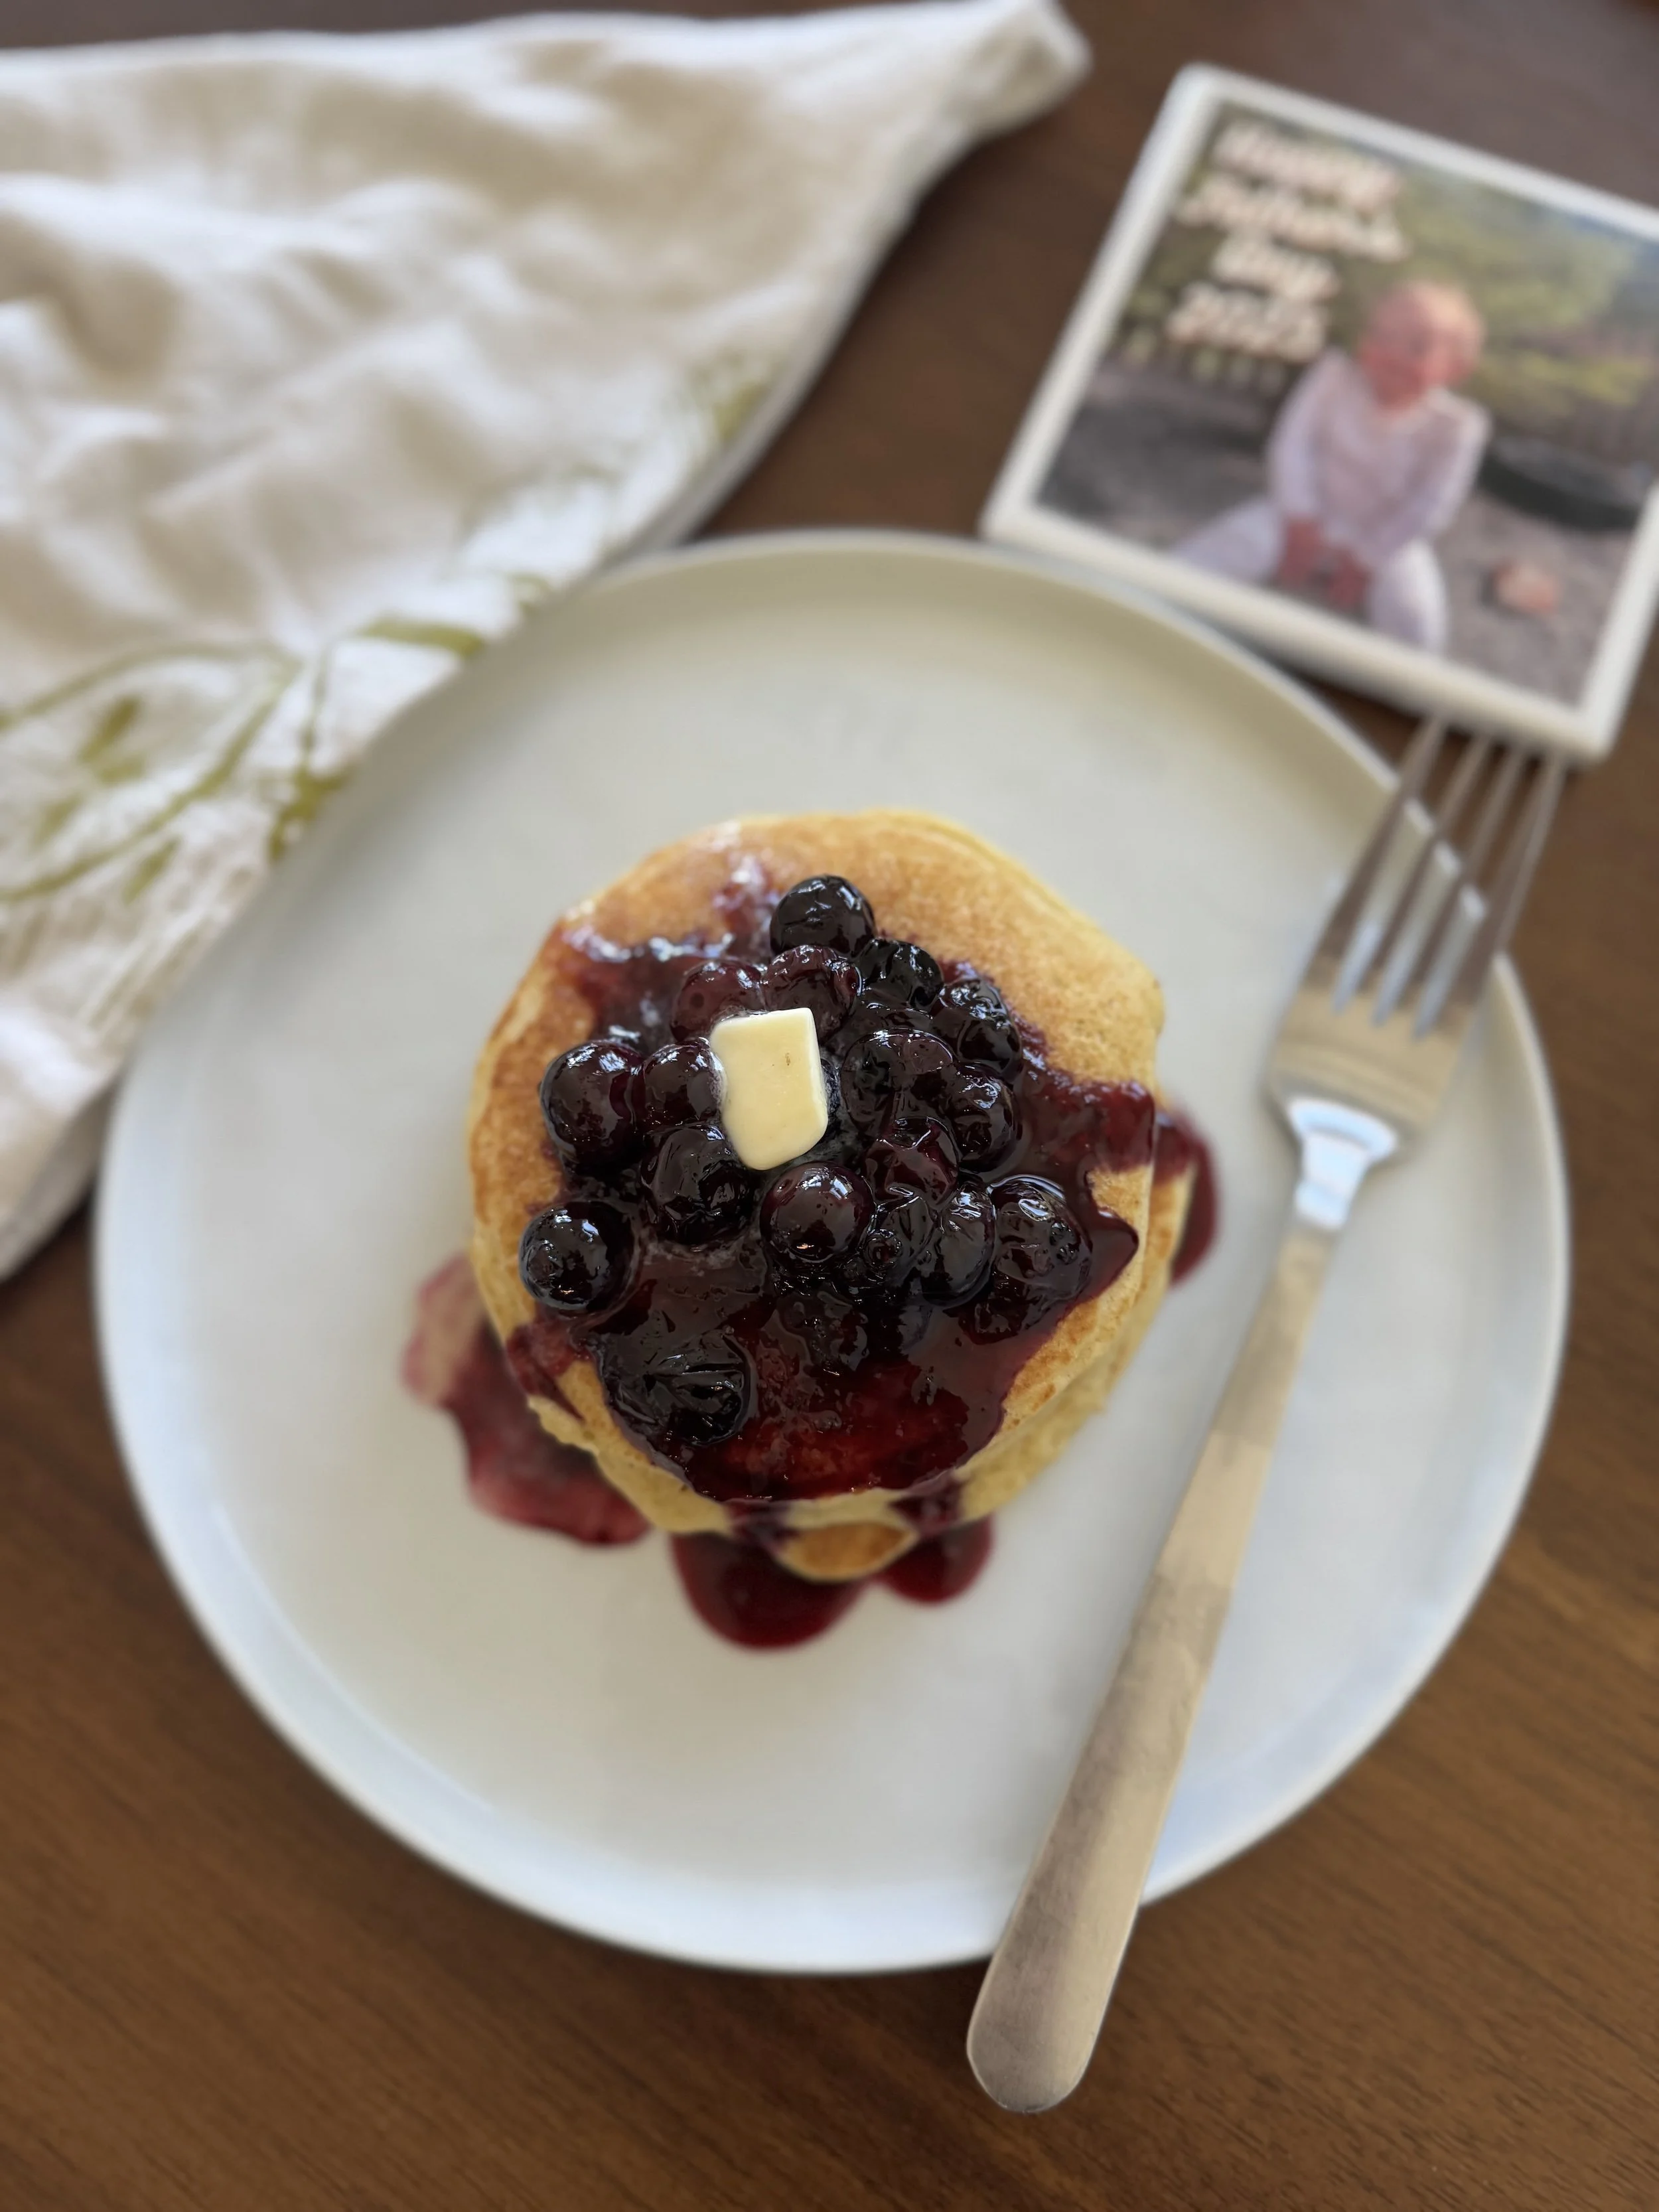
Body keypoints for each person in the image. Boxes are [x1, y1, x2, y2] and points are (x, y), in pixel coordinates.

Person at [1175, 281, 1489, 652]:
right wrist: (1300, 521)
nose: (1392, 353)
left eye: (1417, 346)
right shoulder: (1333, 377)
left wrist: (1368, 561)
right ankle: (1162, 593)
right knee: (1233, 542)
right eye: (1381, 336)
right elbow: (1292, 447)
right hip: (1305, 512)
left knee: (1415, 612)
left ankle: (1413, 688)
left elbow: (1433, 502)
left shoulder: (1456, 426)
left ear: (1456, 367)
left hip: (1385, 538)